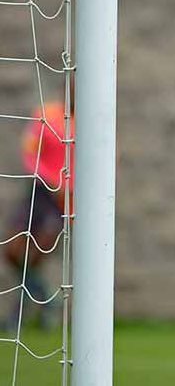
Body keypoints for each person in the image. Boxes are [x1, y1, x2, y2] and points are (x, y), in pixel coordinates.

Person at [4, 97, 74, 330]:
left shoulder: (93, 122)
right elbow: (29, 153)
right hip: (40, 190)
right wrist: (51, 179)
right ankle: (47, 300)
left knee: (36, 254)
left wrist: (69, 189)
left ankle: (18, 317)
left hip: (65, 200)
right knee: (13, 250)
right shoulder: (47, 114)